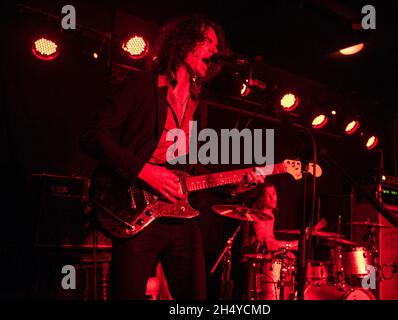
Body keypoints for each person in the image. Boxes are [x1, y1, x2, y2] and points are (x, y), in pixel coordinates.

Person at [79, 15, 263, 300]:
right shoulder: (143, 85)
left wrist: (233, 186)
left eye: (217, 45)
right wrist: (144, 171)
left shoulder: (194, 100)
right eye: (206, 41)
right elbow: (92, 136)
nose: (215, 50)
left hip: (179, 216)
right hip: (135, 209)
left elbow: (187, 166)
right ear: (182, 42)